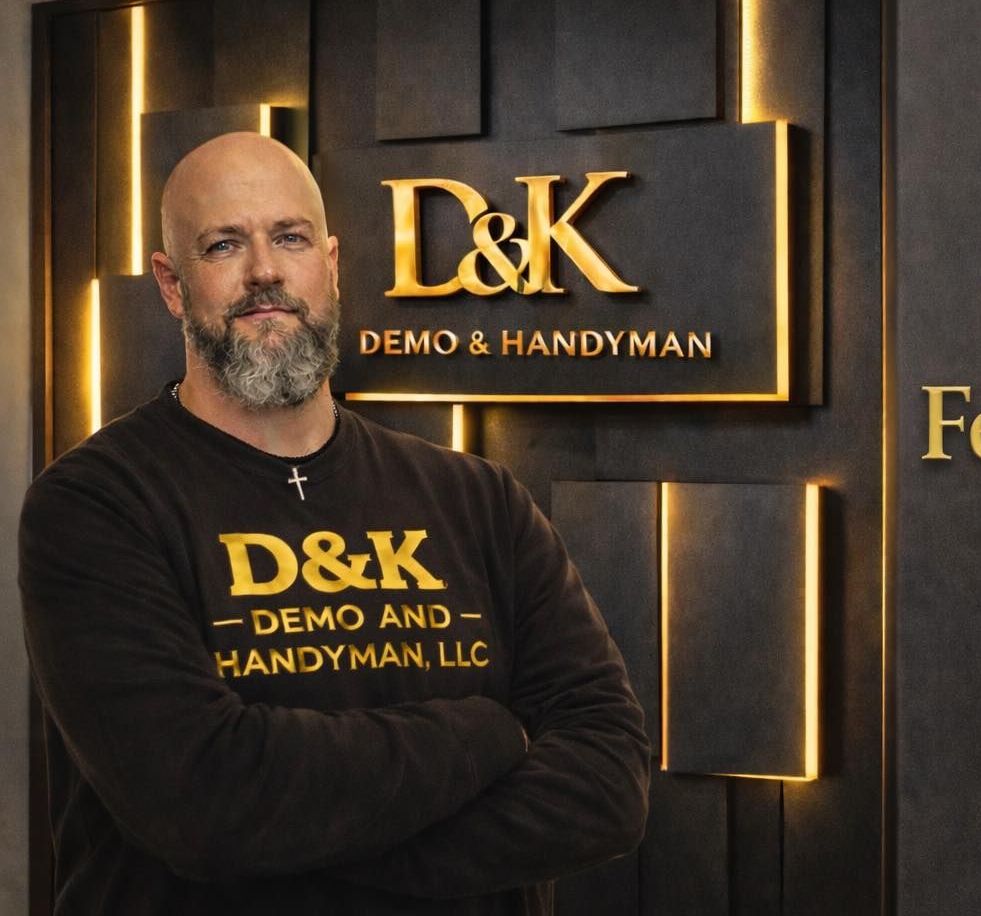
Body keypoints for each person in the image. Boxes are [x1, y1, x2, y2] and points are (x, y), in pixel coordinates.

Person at [18, 132, 649, 914]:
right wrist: (489, 734)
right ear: (173, 285)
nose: (265, 273)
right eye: (223, 245)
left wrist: (307, 853)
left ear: (332, 262)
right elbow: (206, 804)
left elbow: (607, 785)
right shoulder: (96, 506)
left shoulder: (476, 498)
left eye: (291, 237)